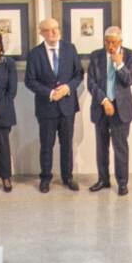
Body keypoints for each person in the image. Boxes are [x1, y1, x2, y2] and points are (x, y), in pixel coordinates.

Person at [26, 17, 83, 192]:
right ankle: (45, 178)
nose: (54, 32)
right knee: (47, 145)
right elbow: (30, 81)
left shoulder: (69, 48)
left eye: (56, 28)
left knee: (67, 144)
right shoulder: (35, 54)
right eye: (49, 30)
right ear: (42, 33)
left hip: (67, 106)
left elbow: (79, 74)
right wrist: (50, 93)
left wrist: (68, 88)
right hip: (47, 107)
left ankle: (68, 177)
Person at [87, 25, 132, 195]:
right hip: (101, 107)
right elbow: (91, 83)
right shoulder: (95, 56)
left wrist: (119, 63)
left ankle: (122, 182)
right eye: (107, 42)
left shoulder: (129, 55)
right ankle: (103, 179)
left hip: (122, 109)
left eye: (114, 42)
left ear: (120, 41)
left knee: (120, 147)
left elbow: (129, 80)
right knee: (101, 146)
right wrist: (104, 100)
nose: (110, 46)